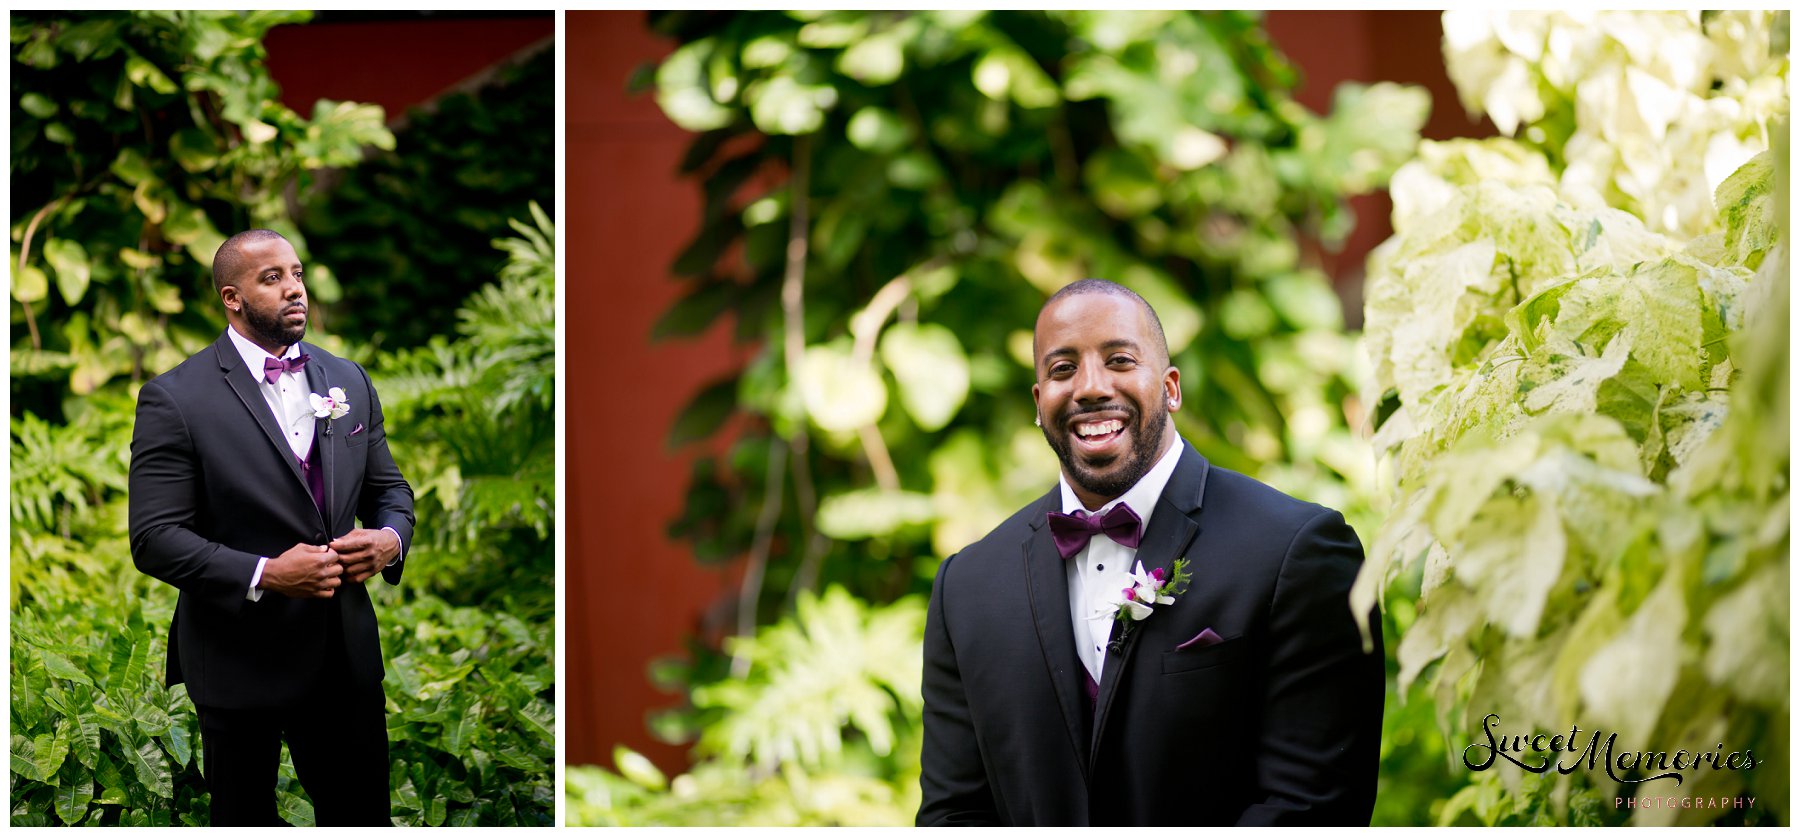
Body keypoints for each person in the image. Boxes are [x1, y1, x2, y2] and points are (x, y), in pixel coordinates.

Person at [917, 278, 1382, 826]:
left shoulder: (1297, 551)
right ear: (1040, 404)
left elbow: (1314, 807)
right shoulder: (967, 588)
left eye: (1119, 360)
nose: (1090, 387)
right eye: (1062, 369)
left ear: (1171, 388)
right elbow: (955, 813)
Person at [129, 229, 414, 826]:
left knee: (362, 818)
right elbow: (155, 538)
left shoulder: (348, 381)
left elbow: (389, 491)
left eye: (297, 274)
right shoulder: (175, 399)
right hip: (237, 660)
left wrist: (389, 540)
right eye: (273, 279)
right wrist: (265, 573)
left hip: (343, 658)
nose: (295, 291)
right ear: (232, 299)